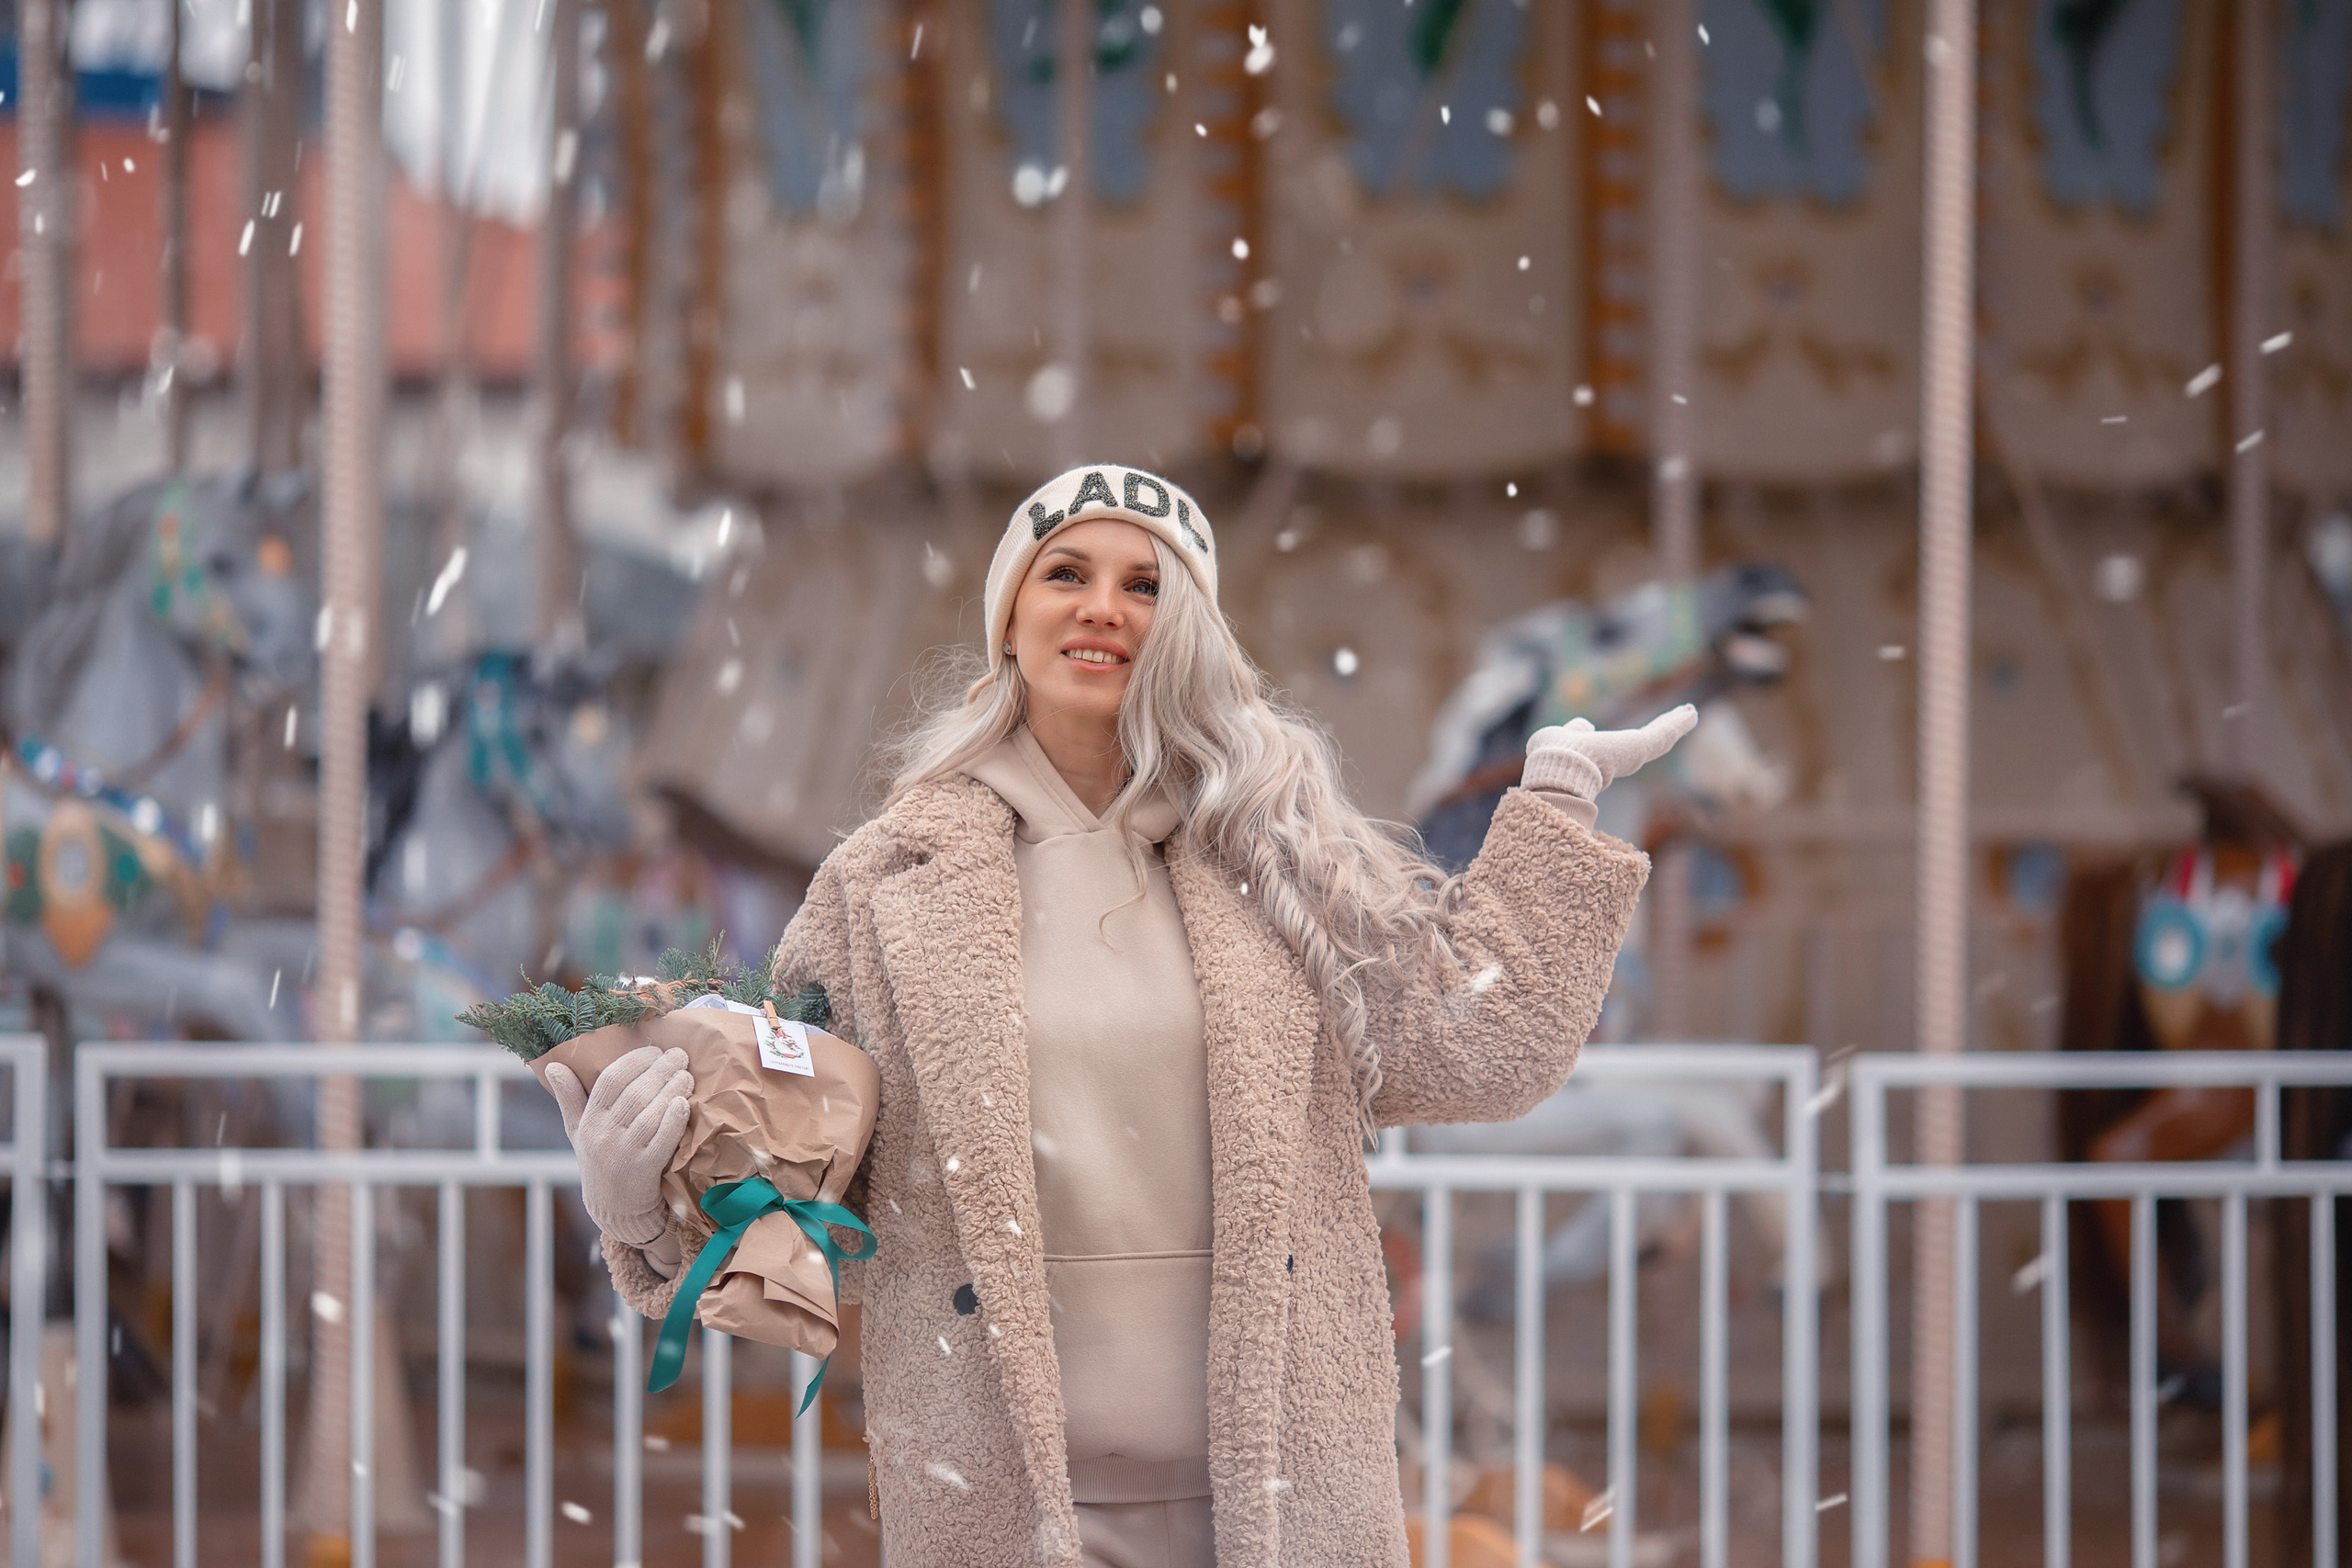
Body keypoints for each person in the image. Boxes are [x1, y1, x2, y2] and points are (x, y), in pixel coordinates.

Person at [554, 466, 1692, 1568]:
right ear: (1010, 616)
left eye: (1145, 584)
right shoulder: (881, 887)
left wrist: (1552, 806)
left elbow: (1474, 1053)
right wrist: (642, 1213)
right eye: (1066, 574)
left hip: (1278, 1493)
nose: (1103, 607)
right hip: (1002, 1503)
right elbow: (806, 1205)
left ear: (1186, 625)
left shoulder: (1280, 859)